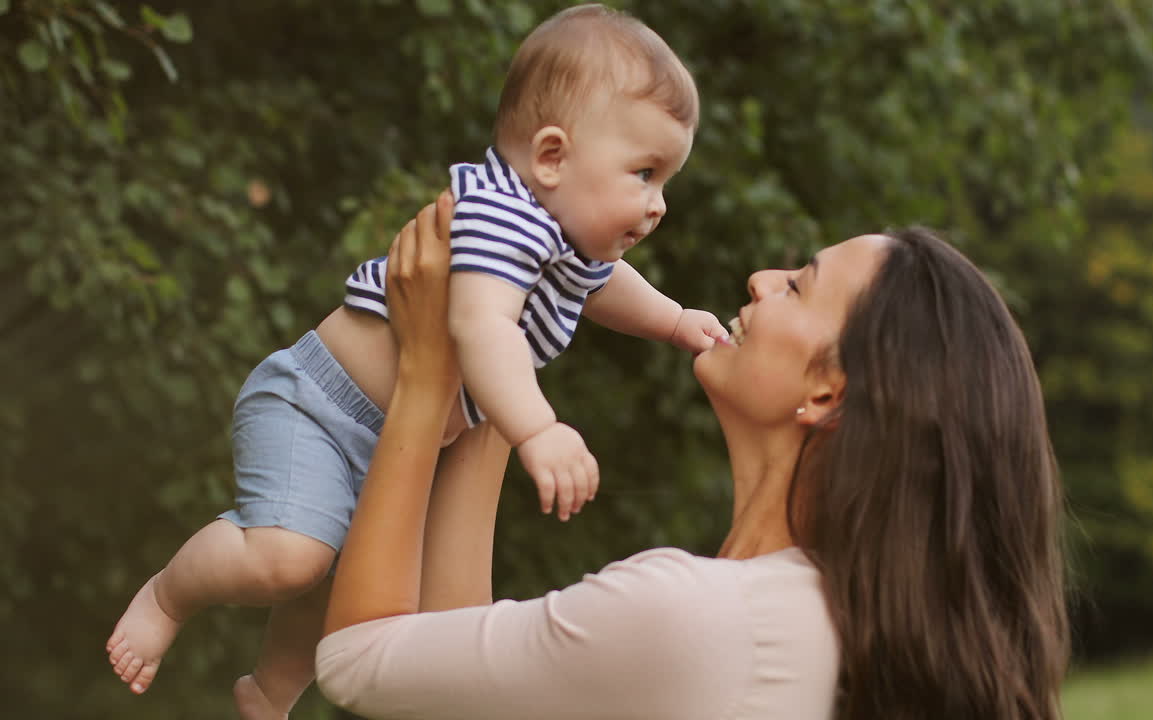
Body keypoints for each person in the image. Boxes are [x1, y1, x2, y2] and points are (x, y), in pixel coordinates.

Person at [105, 4, 723, 717]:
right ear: (551, 157)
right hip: (322, 405)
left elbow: (604, 287)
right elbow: (481, 324)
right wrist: (537, 428)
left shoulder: (564, 240)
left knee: (339, 580)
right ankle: (166, 595)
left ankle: (271, 692)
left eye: (665, 181)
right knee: (288, 558)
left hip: (394, 435)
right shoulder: (503, 217)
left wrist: (675, 321)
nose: (658, 205)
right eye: (644, 173)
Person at [315, 195, 1071, 719]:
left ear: (826, 391)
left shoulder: (697, 617)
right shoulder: (820, 620)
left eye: (798, 287)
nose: (760, 281)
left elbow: (357, 661)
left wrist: (421, 377)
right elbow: (459, 687)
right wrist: (493, 364)